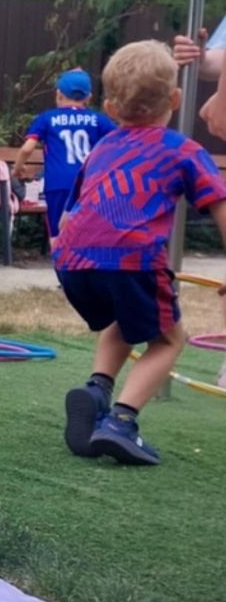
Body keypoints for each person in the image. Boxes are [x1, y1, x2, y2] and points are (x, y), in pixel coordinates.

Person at [55, 40, 226, 465]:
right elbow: (220, 205)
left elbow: (69, 216)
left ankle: (97, 389)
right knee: (168, 339)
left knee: (123, 315)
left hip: (73, 262)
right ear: (176, 99)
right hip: (130, 257)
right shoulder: (182, 149)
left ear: (109, 107)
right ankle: (121, 422)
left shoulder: (102, 148)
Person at [12, 68, 116, 242]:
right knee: (87, 232)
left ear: (59, 94)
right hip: (89, 184)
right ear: (89, 97)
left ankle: (60, 259)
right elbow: (120, 141)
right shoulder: (99, 120)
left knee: (58, 233)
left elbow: (27, 149)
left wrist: (17, 169)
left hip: (58, 184)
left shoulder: (47, 118)